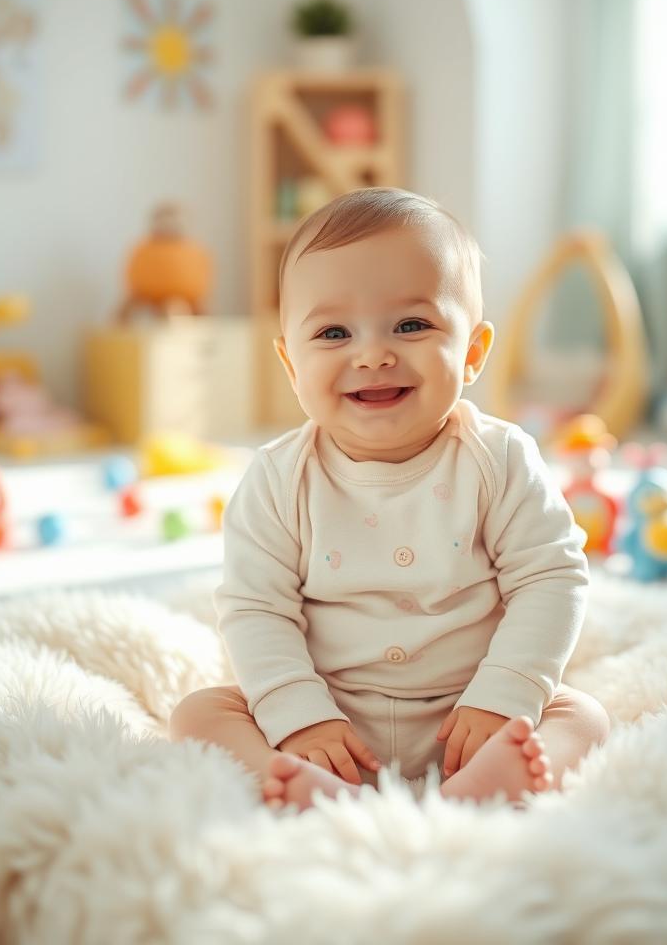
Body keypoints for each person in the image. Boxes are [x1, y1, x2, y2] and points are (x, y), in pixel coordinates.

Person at [170, 188, 610, 810]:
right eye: (332, 332)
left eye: (411, 325)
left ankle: (482, 788)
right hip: (333, 722)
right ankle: (304, 785)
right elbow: (255, 609)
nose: (373, 354)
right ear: (292, 366)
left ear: (474, 353)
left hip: (469, 718)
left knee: (582, 716)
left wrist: (503, 696)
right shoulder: (277, 479)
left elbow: (551, 577)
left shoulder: (500, 460)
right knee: (200, 713)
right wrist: (299, 719)